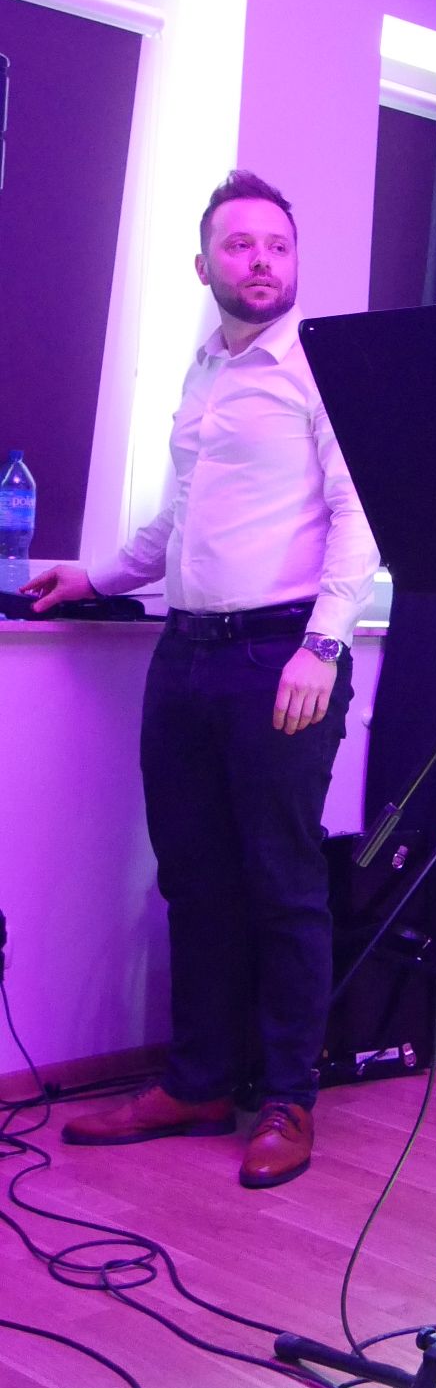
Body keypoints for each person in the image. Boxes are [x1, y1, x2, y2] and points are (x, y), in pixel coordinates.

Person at [24, 170, 378, 1188]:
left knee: (283, 883)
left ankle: (288, 1100)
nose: (262, 261)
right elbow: (181, 518)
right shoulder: (204, 371)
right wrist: (97, 576)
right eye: (241, 245)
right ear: (203, 265)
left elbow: (358, 514)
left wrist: (323, 646)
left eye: (278, 245)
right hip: (186, 653)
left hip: (282, 655)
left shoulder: (319, 367)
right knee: (194, 875)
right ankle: (197, 1081)